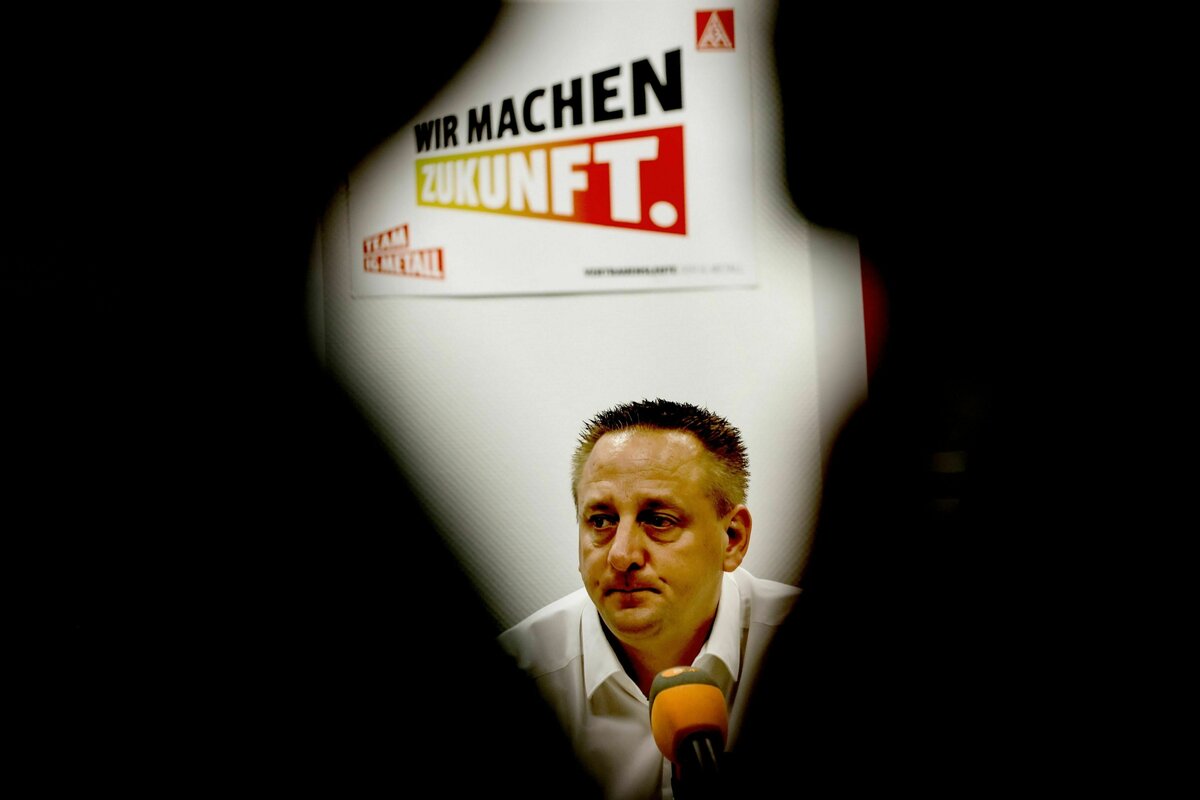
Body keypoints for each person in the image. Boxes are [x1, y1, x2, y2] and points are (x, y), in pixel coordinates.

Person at [499, 399, 800, 800]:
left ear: (732, 539)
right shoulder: (519, 678)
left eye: (659, 521)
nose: (621, 555)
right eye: (601, 521)